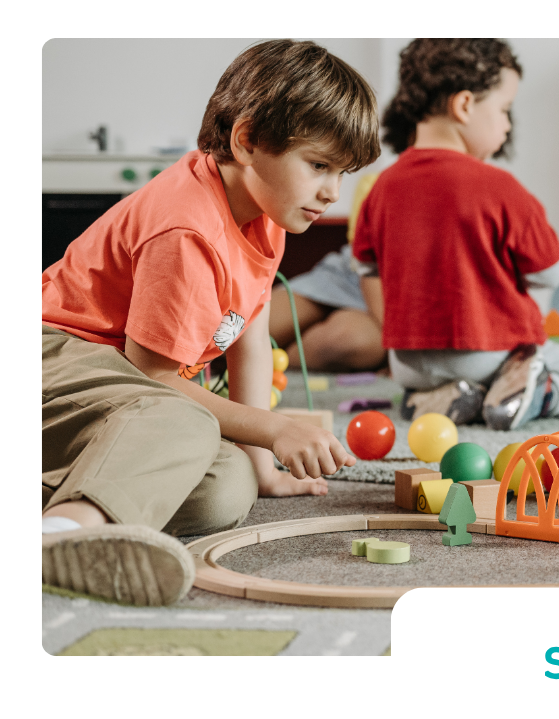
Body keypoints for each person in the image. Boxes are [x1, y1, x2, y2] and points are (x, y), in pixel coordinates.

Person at [41, 40, 379, 605]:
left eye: (341, 173)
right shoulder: (187, 227)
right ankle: (60, 536)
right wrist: (273, 430)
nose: (331, 191)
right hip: (54, 356)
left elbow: (248, 324)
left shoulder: (267, 211)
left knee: (225, 489)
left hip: (121, 391)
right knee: (188, 423)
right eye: (319, 166)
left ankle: (65, 498)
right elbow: (155, 379)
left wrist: (262, 462)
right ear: (247, 141)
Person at [352, 38, 559, 430]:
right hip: (488, 353)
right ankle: (529, 394)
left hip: (407, 362)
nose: (506, 125)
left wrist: (395, 334)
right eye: (503, 110)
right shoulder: (499, 187)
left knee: (434, 377)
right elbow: (550, 271)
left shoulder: (381, 188)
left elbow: (367, 271)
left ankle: (442, 397)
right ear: (464, 105)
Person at [266, 172, 386, 373]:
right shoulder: (377, 184)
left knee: (346, 342)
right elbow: (366, 264)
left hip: (392, 299)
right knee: (239, 328)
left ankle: (268, 365)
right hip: (348, 276)